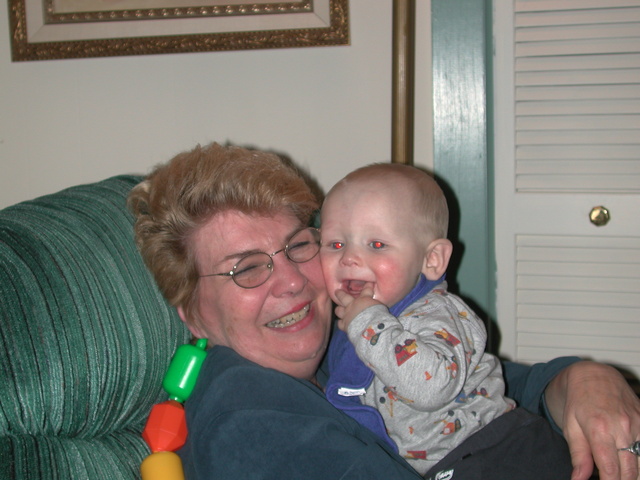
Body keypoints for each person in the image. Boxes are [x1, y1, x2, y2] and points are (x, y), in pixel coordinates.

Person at [128, 142, 640, 480]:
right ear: (192, 312)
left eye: (300, 246)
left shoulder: (332, 341)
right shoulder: (250, 420)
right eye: (246, 269)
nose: (292, 281)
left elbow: (483, 386)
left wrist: (581, 378)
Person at [319, 163, 572, 478]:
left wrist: (368, 324)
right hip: (445, 466)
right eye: (336, 244)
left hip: (499, 451)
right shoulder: (352, 323)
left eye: (377, 245)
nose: (348, 258)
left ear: (432, 259)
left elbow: (431, 387)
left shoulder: (437, 314)